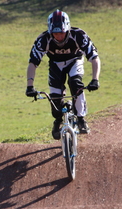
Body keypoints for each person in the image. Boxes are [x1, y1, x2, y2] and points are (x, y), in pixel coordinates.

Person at [25, 9, 101, 140]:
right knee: (55, 96)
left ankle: (81, 118)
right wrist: (29, 86)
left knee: (75, 83)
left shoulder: (79, 35)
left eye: (62, 32)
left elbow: (94, 57)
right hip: (55, 65)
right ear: (50, 32)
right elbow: (33, 63)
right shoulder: (43, 40)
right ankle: (58, 120)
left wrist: (95, 79)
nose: (59, 36)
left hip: (74, 61)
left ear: (67, 29)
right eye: (55, 33)